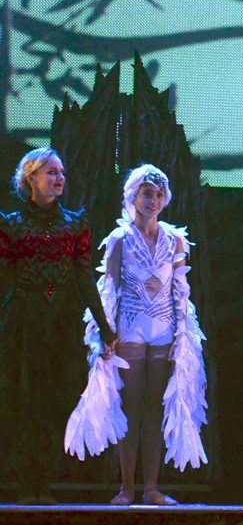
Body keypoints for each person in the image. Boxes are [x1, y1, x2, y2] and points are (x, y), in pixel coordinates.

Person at [64, 164, 208, 505]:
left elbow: (181, 291)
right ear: (133, 196)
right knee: (130, 407)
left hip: (163, 331)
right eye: (147, 194)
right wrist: (105, 333)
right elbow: (108, 289)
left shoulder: (175, 240)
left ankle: (152, 487)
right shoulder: (120, 239)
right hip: (130, 329)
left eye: (159, 195)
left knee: (156, 409)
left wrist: (183, 336)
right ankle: (126, 487)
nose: (153, 200)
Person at [0, 147, 115, 504]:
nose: (59, 178)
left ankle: (44, 481)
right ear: (31, 177)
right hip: (25, 319)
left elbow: (84, 277)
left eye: (61, 172)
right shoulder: (11, 225)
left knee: (53, 399)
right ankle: (25, 483)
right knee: (23, 398)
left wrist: (105, 326)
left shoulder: (75, 223)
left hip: (61, 320)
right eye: (51, 172)